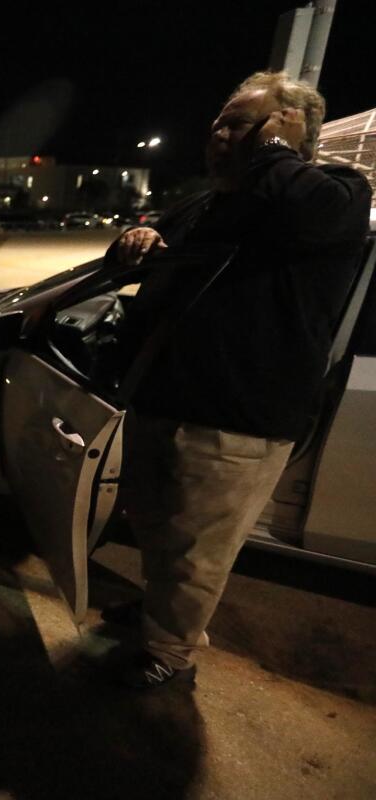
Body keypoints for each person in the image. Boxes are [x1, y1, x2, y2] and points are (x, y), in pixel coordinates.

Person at [106, 71, 371, 688]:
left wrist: (274, 153)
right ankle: (159, 615)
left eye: (240, 124)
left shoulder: (336, 190)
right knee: (154, 525)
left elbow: (316, 213)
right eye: (218, 123)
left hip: (240, 414)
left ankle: (170, 657)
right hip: (166, 395)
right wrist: (138, 239)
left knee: (198, 549)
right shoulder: (211, 203)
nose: (221, 135)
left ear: (291, 129)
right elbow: (154, 248)